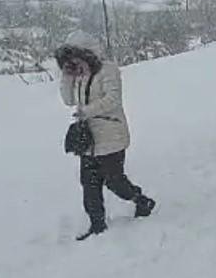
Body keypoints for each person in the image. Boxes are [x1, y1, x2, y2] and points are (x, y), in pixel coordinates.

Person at [55, 31, 156, 241]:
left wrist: (87, 111)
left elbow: (113, 99)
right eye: (70, 59)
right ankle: (97, 224)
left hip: (112, 135)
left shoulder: (108, 70)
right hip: (89, 139)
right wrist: (66, 77)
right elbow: (68, 100)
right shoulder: (79, 74)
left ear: (87, 53)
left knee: (114, 181)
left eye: (77, 57)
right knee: (89, 183)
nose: (74, 61)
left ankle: (141, 200)